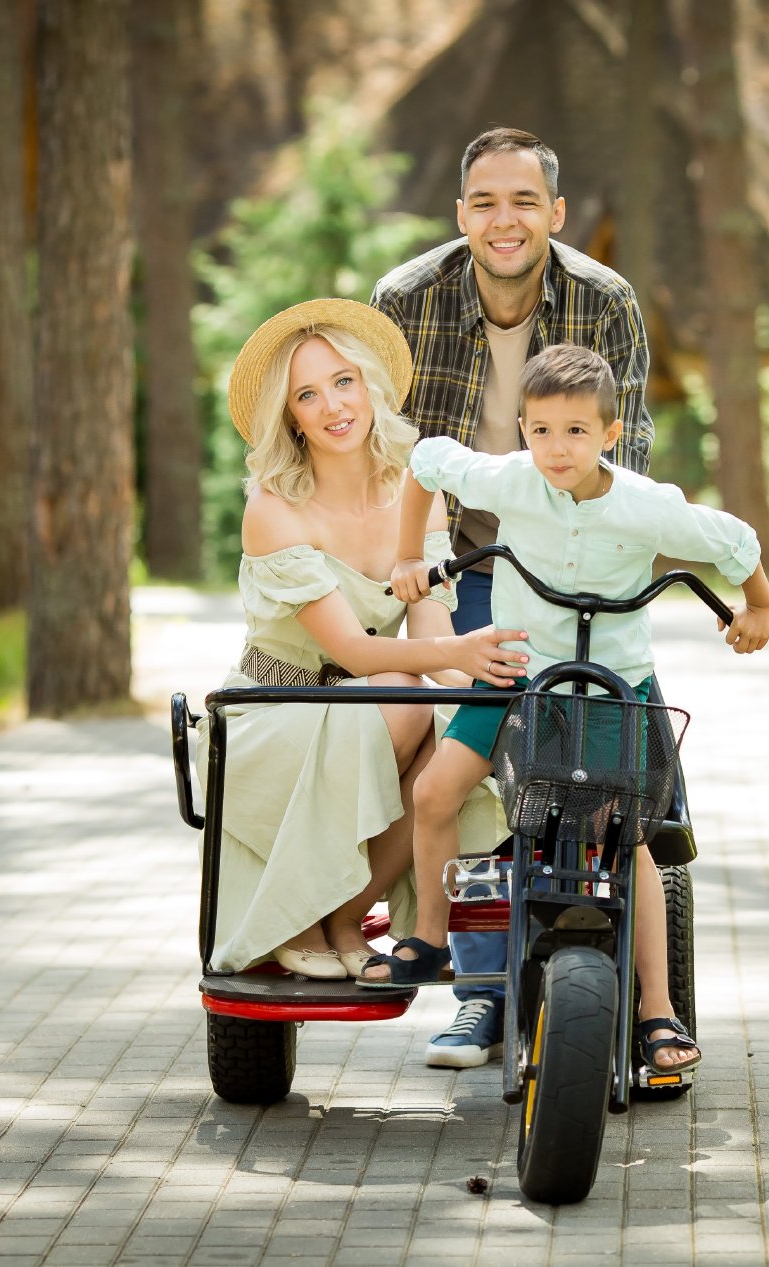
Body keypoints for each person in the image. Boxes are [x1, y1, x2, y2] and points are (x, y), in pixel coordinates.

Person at [365, 344, 769, 1077]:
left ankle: (656, 1009)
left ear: (611, 434)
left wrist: (760, 606)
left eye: (577, 431)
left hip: (611, 689)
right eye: (543, 430)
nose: (558, 448)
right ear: (523, 429)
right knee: (433, 793)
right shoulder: (511, 480)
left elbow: (735, 541)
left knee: (629, 836)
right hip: (518, 676)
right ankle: (428, 937)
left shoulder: (648, 505)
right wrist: (407, 558)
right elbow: (427, 461)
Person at [370, 125, 655, 1069]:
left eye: (525, 201)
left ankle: (617, 987)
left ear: (555, 213)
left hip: (572, 565)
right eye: (486, 202)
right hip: (456, 564)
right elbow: (394, 458)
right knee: (475, 759)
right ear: (461, 214)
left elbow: (631, 450)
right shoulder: (406, 300)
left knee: (590, 768)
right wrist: (419, 586)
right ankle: (481, 996)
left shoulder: (605, 301)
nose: (505, 220)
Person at [206, 298, 521, 979]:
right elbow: (354, 651)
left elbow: (433, 631)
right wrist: (450, 657)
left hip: (372, 704)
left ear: (370, 385)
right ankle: (300, 917)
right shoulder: (273, 506)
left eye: (343, 381)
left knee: (454, 734)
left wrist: (489, 685)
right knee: (406, 695)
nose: (333, 406)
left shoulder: (414, 489)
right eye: (307, 395)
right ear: (290, 416)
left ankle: (346, 916)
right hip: (278, 705)